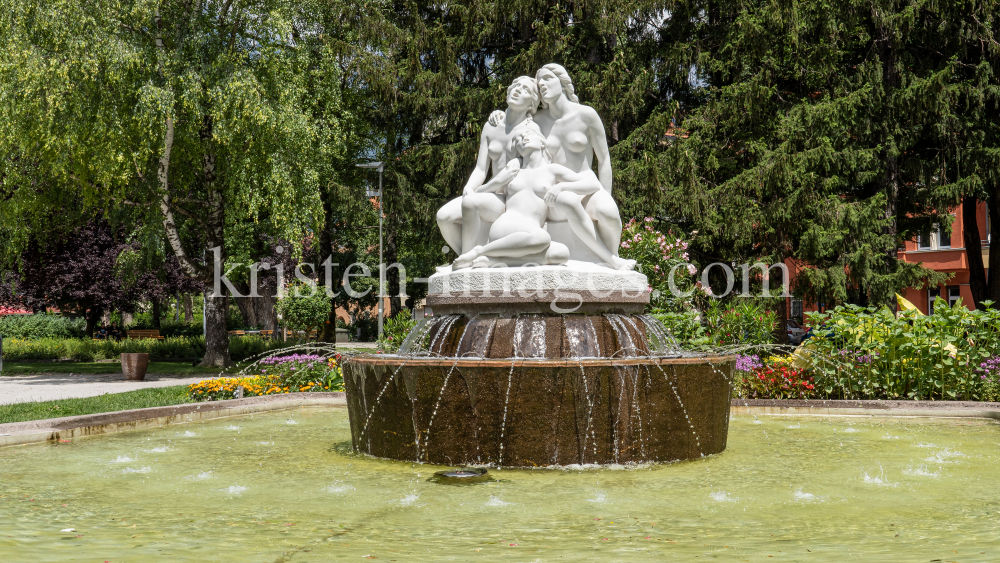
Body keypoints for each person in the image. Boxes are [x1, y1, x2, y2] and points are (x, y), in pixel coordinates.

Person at [453, 126, 604, 269]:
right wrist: (498, 181)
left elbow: (592, 184)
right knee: (543, 238)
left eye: (528, 135)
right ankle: (479, 252)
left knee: (561, 253)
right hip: (506, 227)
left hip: (531, 233)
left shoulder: (552, 170)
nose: (523, 139)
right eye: (518, 139)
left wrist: (561, 187)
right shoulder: (513, 170)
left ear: (542, 143)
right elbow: (476, 197)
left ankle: (495, 260)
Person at [436, 76, 540, 256]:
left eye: (524, 89)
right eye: (515, 85)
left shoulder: (530, 131)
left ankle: (468, 259)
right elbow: (481, 169)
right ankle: (466, 256)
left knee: (471, 201)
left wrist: (481, 190)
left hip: (511, 200)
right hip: (490, 192)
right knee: (443, 217)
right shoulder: (491, 126)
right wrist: (469, 187)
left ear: (531, 104)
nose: (517, 89)